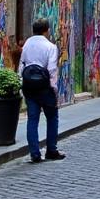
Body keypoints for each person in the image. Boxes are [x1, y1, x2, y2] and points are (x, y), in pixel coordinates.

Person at [21, 19, 64, 163]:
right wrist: (54, 89)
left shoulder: (27, 44)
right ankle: (51, 150)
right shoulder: (50, 46)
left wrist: (22, 82)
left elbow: (22, 65)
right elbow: (52, 69)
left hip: (29, 86)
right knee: (52, 118)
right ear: (46, 30)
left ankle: (34, 153)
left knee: (32, 119)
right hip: (45, 87)